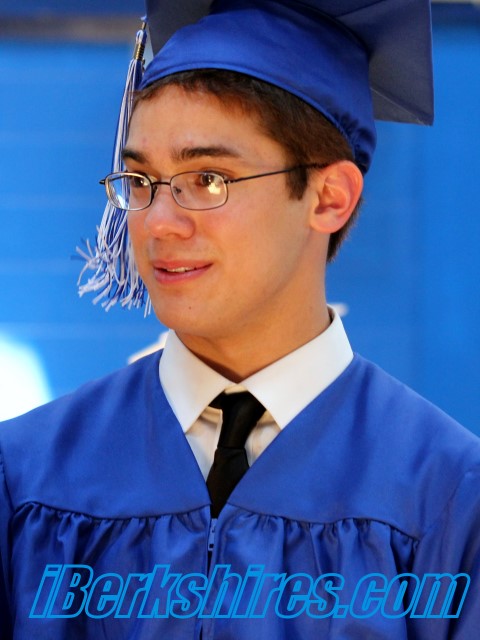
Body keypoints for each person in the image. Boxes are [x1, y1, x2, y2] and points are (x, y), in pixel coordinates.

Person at [1, 1, 479, 638]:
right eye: (141, 179)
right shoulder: (26, 478)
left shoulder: (449, 499)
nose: (159, 222)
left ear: (329, 197)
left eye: (208, 178)